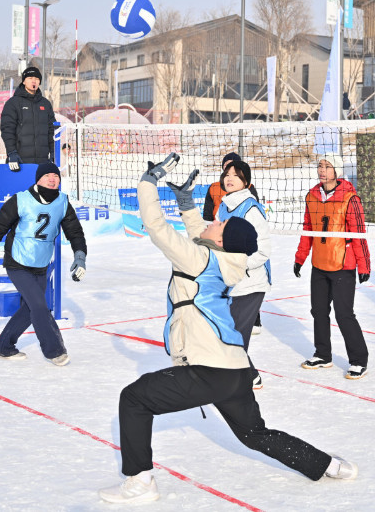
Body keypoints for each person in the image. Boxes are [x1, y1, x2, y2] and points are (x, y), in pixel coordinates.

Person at [98, 154, 357, 504]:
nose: (214, 221)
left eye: (219, 224)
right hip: (235, 370)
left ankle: (140, 481)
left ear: (222, 241)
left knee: (133, 399)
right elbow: (200, 238)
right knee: (255, 434)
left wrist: (148, 182)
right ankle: (327, 465)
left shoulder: (200, 258)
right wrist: (186, 203)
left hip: (209, 369)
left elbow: (157, 227)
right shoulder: (222, 260)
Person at [0, 161, 87, 365]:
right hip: (17, 261)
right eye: (47, 176)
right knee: (40, 306)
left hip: (41, 263)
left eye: (56, 176)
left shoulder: (62, 202)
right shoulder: (20, 200)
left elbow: (75, 231)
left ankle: (3, 346)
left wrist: (80, 256)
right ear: (38, 179)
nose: (52, 179)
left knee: (31, 308)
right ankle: (55, 351)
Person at [294, 152, 371, 380]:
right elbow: (308, 230)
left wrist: (364, 266)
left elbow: (359, 235)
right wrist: (300, 258)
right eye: (320, 166)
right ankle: (322, 354)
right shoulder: (312, 196)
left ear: (336, 171)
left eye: (327, 166)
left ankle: (358, 360)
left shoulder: (350, 198)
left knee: (344, 314)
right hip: (319, 263)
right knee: (318, 311)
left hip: (342, 265)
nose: (322, 170)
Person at [216, 159, 271, 389]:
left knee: (234, 337)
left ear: (245, 181)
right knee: (225, 334)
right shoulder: (223, 206)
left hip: (250, 284)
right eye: (227, 174)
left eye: (236, 175)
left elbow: (263, 252)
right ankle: (249, 376)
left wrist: (236, 264)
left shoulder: (251, 209)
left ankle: (240, 384)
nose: (229, 178)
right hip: (230, 282)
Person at [202, 151, 263, 332]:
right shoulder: (214, 188)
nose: (229, 171)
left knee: (244, 286)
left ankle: (254, 319)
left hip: (238, 243)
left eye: (234, 169)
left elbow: (257, 236)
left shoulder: (248, 195)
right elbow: (207, 215)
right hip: (219, 239)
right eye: (226, 168)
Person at [0, 65, 56, 171]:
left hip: (43, 163)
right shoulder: (13, 103)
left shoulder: (46, 104)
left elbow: (52, 130)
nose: (33, 81)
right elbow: (7, 130)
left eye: (37, 79)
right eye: (30, 78)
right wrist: (12, 153)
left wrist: (54, 152)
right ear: (24, 81)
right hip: (20, 162)